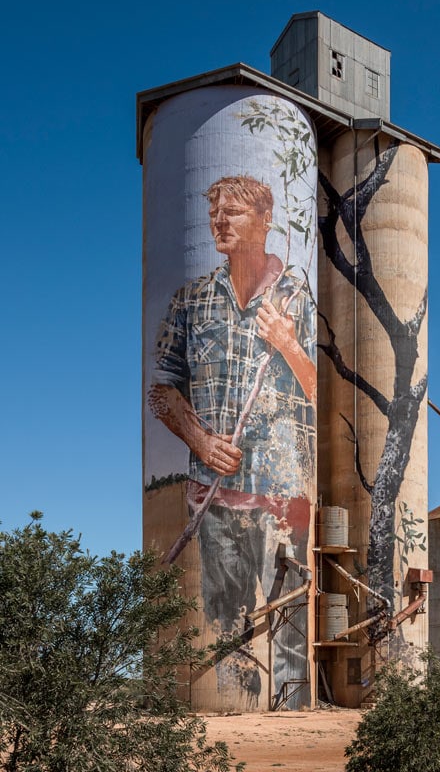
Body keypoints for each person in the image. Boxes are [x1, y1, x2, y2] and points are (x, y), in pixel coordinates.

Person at [149, 175, 316, 708]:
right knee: (227, 631)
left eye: (234, 212)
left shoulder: (294, 295)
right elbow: (161, 390)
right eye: (215, 211)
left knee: (288, 627)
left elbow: (322, 391)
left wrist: (288, 344)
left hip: (282, 498)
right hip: (213, 499)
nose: (220, 221)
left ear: (264, 222)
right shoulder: (191, 299)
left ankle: (292, 719)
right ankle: (235, 733)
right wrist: (199, 440)